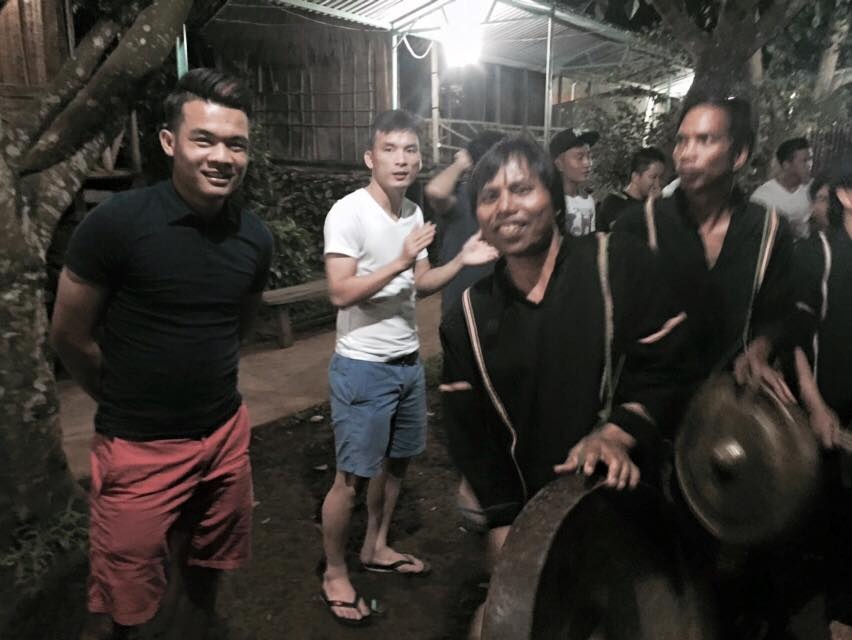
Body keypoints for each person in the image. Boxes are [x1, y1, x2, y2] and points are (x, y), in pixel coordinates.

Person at [50, 69, 272, 640]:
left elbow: (237, 328)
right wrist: (123, 394)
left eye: (236, 144)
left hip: (225, 437)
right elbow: (69, 336)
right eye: (205, 140)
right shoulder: (116, 225)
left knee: (207, 566)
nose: (222, 157)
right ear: (170, 142)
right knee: (127, 596)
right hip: (139, 447)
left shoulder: (254, 237)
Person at [439, 135, 690, 637]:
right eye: (489, 196)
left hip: (629, 511)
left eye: (521, 189)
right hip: (531, 517)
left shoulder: (617, 263)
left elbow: (668, 364)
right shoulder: (467, 317)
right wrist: (503, 522)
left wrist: (616, 433)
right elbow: (472, 435)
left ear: (554, 198)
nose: (505, 206)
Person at [319, 109, 497, 627]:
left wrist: (461, 260)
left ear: (420, 159)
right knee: (349, 479)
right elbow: (339, 292)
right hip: (362, 366)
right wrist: (398, 261)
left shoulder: (414, 213)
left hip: (406, 363)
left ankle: (376, 546)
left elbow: (419, 284)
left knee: (397, 464)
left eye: (411, 150)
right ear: (370, 158)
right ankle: (334, 572)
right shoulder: (348, 213)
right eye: (391, 149)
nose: (402, 159)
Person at [615, 96, 795, 399]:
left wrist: (759, 349)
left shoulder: (769, 230)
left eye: (704, 140)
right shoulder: (639, 225)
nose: (686, 154)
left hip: (726, 405)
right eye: (681, 141)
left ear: (739, 155)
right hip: (648, 404)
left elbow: (777, 313)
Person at [792, 166, 852, 640]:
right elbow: (796, 337)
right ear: (846, 196)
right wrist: (814, 406)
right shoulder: (820, 254)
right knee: (834, 517)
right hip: (830, 411)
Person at [425, 130, 505, 319]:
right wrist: (460, 163)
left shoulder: (509, 201)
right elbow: (435, 191)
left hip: (501, 305)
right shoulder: (462, 198)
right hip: (461, 307)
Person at [751, 137, 813, 239]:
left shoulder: (815, 191)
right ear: (786, 165)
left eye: (810, 160)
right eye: (804, 161)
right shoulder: (762, 197)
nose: (809, 165)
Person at [598, 146, 666, 231]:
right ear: (635, 177)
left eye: (661, 177)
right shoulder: (614, 202)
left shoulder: (656, 202)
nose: (658, 183)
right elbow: (627, 232)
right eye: (653, 177)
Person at [549, 127, 599, 236]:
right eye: (580, 157)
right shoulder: (548, 204)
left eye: (589, 156)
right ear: (559, 164)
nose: (588, 163)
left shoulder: (589, 201)